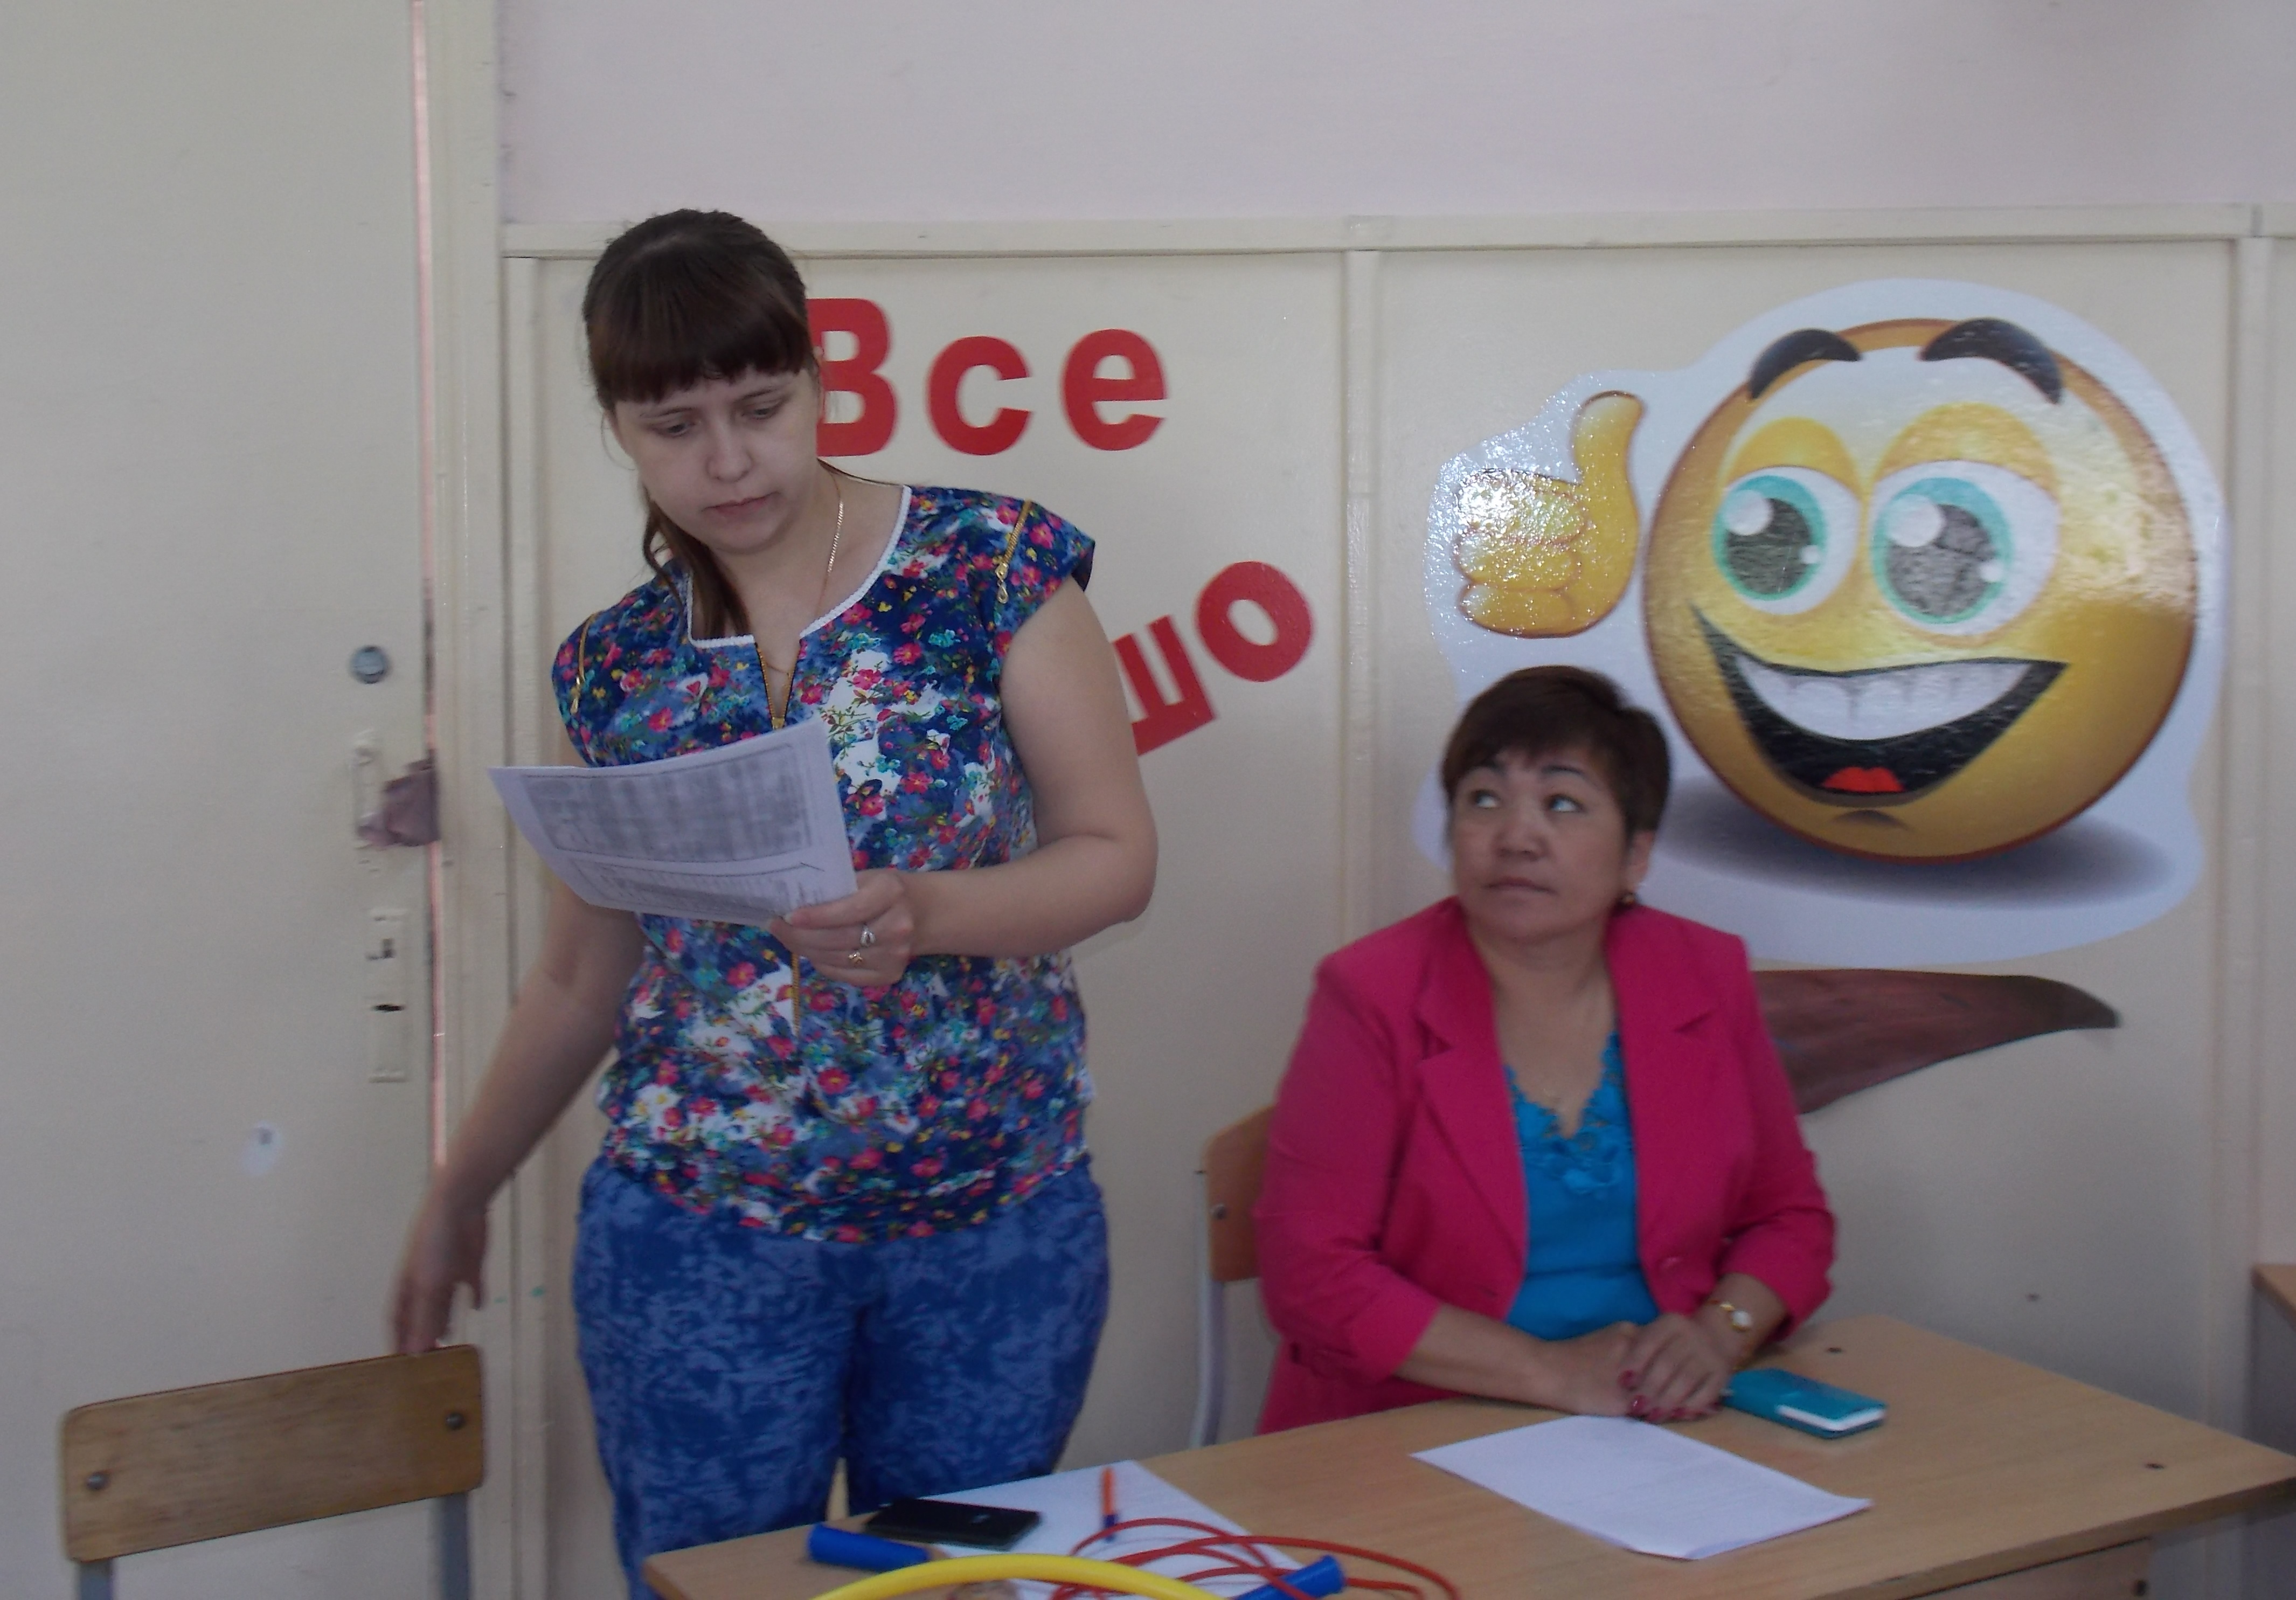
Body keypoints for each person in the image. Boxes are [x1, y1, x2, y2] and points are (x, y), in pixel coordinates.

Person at [389, 210, 1157, 1593]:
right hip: (700, 1240)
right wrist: (461, 1189)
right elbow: (579, 978)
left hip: (989, 1225)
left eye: (761, 407)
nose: (729, 461)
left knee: (955, 1586)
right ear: (619, 430)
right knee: (719, 1586)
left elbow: (1114, 854)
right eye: (674, 427)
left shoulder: (987, 568)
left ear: (820, 382)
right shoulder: (616, 669)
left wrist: (927, 911)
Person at [1253, 666, 1832, 1432]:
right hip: (1416, 1423)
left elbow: (1790, 1217)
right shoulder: (1371, 994)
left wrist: (1717, 1334)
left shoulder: (1704, 974)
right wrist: (1550, 1372)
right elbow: (1310, 1272)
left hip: (1659, 1424)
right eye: (1483, 799)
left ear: (1635, 855)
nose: (1515, 837)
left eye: (1561, 803)